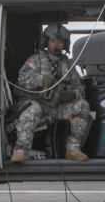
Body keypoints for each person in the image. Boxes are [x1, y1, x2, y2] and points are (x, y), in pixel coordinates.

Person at [11, 23, 91, 162]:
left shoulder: (68, 65)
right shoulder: (35, 61)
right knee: (30, 110)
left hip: (58, 107)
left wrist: (72, 95)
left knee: (83, 105)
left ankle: (73, 149)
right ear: (46, 42)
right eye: (53, 41)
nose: (57, 45)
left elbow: (80, 89)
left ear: (65, 44)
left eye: (60, 42)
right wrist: (40, 80)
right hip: (40, 105)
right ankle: (20, 150)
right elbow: (20, 85)